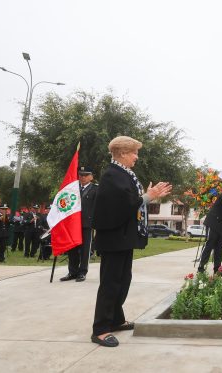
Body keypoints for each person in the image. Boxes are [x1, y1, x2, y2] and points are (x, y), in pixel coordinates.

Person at [90, 136, 171, 348]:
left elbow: (129, 202)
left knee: (122, 280)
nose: (136, 157)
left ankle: (116, 320)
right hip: (113, 239)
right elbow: (123, 206)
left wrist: (148, 196)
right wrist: (147, 196)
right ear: (123, 153)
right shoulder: (112, 175)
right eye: (134, 152)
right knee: (110, 284)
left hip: (123, 238)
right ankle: (100, 329)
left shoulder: (123, 174)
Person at [60, 166, 98, 282]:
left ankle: (82, 272)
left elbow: (97, 207)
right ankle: (72, 272)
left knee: (85, 249)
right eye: (80, 175)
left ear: (91, 177)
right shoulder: (73, 189)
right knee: (72, 249)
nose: (82, 177)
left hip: (87, 224)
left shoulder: (96, 189)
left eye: (85, 175)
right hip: (73, 224)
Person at [197, 187, 222, 274]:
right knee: (209, 244)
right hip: (213, 222)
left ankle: (217, 269)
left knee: (219, 248)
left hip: (221, 224)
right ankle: (201, 267)